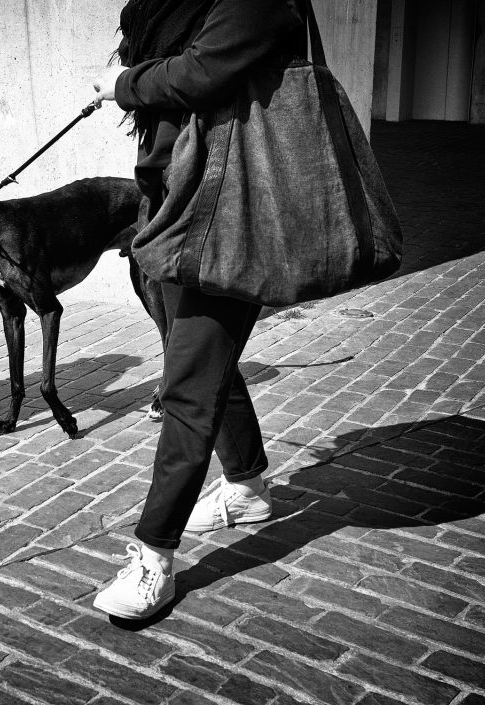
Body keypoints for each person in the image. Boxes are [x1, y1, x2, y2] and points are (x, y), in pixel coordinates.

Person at [90, 0, 307, 620]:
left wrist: (121, 85)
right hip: (169, 200)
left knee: (187, 383)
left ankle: (154, 555)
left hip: (227, 209)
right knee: (204, 362)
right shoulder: (167, 6)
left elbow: (199, 73)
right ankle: (247, 485)